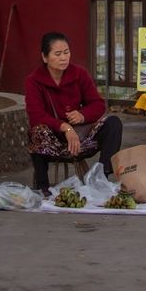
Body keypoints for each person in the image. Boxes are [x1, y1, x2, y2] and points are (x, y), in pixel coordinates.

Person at [25, 31, 122, 196]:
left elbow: (98, 104)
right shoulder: (33, 81)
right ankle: (43, 187)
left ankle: (101, 178)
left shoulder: (79, 74)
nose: (64, 58)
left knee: (113, 123)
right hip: (53, 142)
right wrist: (64, 127)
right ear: (45, 57)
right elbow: (36, 115)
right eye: (57, 54)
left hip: (81, 140)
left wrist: (82, 115)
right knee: (37, 131)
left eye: (66, 52)